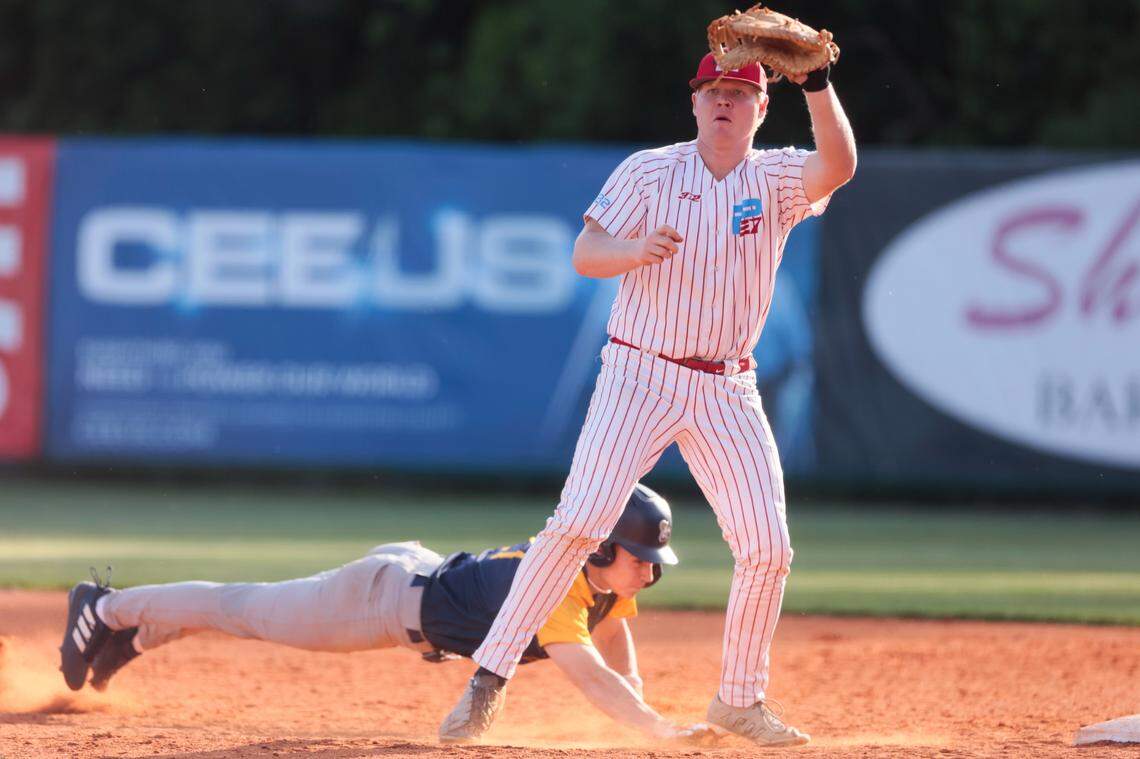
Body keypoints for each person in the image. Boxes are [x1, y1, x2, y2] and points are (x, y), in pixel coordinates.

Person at [440, 51, 856, 747]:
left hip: (727, 383)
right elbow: (585, 251)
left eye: (739, 92)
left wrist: (817, 84)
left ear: (761, 108)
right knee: (577, 522)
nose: (724, 102)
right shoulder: (650, 170)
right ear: (693, 102)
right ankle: (489, 676)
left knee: (768, 547)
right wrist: (633, 250)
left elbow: (838, 166)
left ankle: (738, 700)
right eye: (712, 91)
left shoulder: (778, 176)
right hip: (640, 371)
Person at [58, 485, 714, 745]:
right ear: (601, 546)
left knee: (244, 608)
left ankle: (130, 637)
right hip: (377, 602)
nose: (650, 570)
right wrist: (652, 726)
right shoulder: (554, 584)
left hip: (413, 578)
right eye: (639, 556)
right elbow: (591, 673)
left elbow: (614, 630)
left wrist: (641, 701)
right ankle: (106, 607)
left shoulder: (597, 574)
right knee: (244, 608)